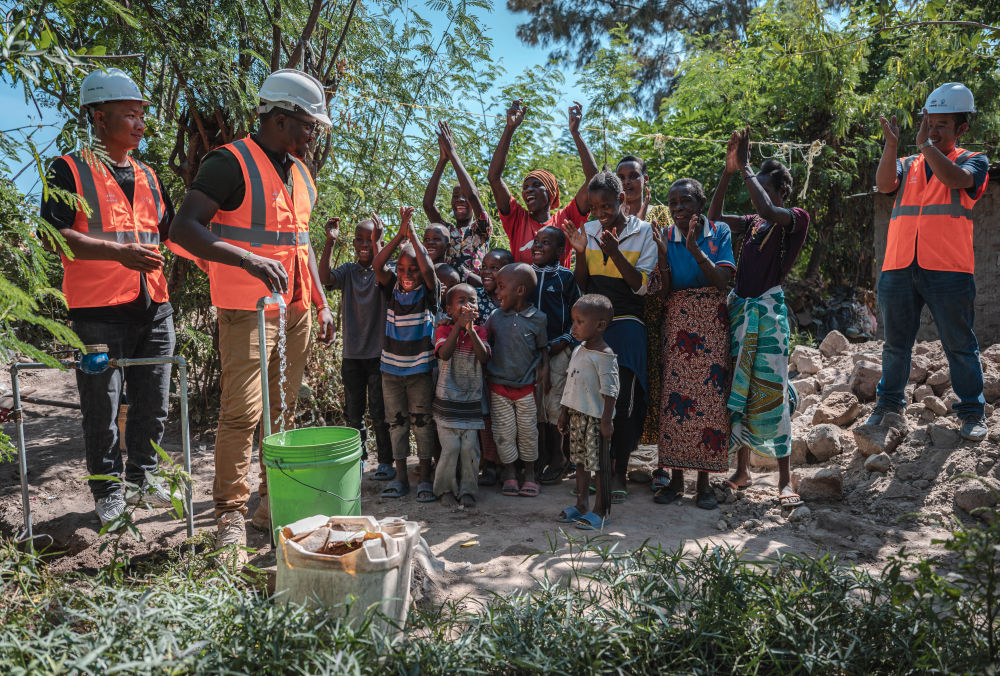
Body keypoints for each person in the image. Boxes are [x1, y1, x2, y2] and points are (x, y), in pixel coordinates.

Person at [169, 69, 336, 558]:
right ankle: (229, 517)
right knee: (242, 414)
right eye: (308, 125)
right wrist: (247, 260)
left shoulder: (301, 172)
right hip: (247, 310)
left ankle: (272, 504)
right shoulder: (229, 163)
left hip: (296, 309)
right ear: (280, 119)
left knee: (282, 411)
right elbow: (183, 228)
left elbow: (301, 242)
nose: (313, 134)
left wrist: (322, 303)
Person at [40, 68, 179, 525]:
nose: (140, 124)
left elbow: (171, 234)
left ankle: (142, 478)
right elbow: (52, 236)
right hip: (97, 312)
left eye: (142, 115)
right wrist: (119, 254)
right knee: (102, 407)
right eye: (130, 115)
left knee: (154, 402)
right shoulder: (68, 169)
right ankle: (108, 489)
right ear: (99, 118)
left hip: (153, 308)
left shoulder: (148, 175)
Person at [868, 83, 990, 441]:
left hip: (949, 269)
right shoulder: (908, 163)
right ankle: (888, 406)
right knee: (895, 345)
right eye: (930, 123)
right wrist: (892, 146)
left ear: (961, 128)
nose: (933, 131)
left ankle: (972, 412)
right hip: (899, 266)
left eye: (942, 125)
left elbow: (954, 179)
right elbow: (884, 184)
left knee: (959, 345)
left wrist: (925, 146)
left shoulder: (973, 160)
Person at [707, 127, 810, 508]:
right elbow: (714, 218)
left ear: (780, 190)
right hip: (741, 312)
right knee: (741, 387)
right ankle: (742, 471)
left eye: (764, 187)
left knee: (772, 389)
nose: (757, 194)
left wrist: (747, 165)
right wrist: (728, 171)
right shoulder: (753, 222)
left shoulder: (795, 218)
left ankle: (784, 479)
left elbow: (767, 209)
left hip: (768, 315)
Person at [564, 171, 657, 504]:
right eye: (594, 207)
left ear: (621, 200)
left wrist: (615, 252)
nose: (600, 213)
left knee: (622, 399)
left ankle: (619, 471)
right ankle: (597, 468)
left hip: (627, 321)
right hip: (594, 325)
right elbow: (582, 285)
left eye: (606, 205)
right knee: (590, 398)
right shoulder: (588, 231)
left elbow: (641, 286)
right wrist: (580, 252)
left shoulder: (643, 232)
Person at [648, 179, 736, 510]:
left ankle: (704, 484)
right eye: (672, 202)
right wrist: (662, 255)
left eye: (685, 201)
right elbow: (664, 290)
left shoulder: (718, 232)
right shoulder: (665, 236)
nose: (678, 208)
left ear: (700, 203)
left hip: (712, 324)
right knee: (676, 402)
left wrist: (694, 248)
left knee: (710, 403)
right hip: (678, 323)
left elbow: (722, 280)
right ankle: (675, 480)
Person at [371, 206, 441, 501]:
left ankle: (424, 478)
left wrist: (412, 234)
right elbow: (378, 264)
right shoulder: (391, 289)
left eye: (412, 269)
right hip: (390, 370)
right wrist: (400, 235)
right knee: (396, 423)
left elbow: (429, 270)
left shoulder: (429, 292)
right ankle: (401, 477)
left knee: (422, 423)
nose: (406, 274)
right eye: (401, 269)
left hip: (419, 370)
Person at [318, 215, 393, 481]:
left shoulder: (385, 271)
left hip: (379, 355)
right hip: (352, 354)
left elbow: (383, 273)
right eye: (359, 240)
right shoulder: (349, 271)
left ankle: (385, 461)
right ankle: (359, 458)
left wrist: (379, 243)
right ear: (352, 243)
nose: (364, 245)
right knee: (353, 412)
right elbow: (325, 277)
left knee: (380, 412)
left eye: (370, 240)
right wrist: (330, 241)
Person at [488, 100, 597, 266]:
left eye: (536, 185)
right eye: (525, 187)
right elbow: (494, 178)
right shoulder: (517, 219)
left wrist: (575, 133)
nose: (528, 190)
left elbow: (593, 178)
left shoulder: (565, 220)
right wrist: (509, 128)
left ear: (550, 192)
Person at [485, 263, 548, 497]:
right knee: (503, 433)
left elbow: (543, 349)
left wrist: (545, 371)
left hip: (526, 387)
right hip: (498, 386)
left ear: (520, 291)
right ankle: (510, 473)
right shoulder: (495, 317)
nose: (497, 292)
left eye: (502, 287)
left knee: (528, 433)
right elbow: (484, 340)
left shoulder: (538, 318)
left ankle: (530, 475)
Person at [557, 294, 619, 531]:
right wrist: (564, 412)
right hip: (577, 416)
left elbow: (611, 391)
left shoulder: (605, 356)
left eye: (580, 321)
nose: (574, 326)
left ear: (600, 325)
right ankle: (581, 504)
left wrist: (606, 421)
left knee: (600, 466)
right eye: (573, 321)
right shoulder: (578, 350)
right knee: (580, 463)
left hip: (596, 419)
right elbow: (570, 383)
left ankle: (601, 511)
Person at [433, 283, 491, 509]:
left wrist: (471, 330)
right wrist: (458, 327)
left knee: (469, 449)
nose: (468, 305)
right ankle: (445, 489)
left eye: (472, 301)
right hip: (447, 401)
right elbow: (444, 354)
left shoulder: (481, 332)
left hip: (471, 402)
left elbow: (484, 358)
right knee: (450, 449)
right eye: (461, 301)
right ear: (449, 310)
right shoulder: (443, 331)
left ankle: (468, 490)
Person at [531, 226, 581, 484]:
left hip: (558, 350)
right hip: (531, 354)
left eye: (546, 242)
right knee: (536, 406)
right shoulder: (525, 274)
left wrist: (565, 341)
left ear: (561, 250)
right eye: (536, 241)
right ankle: (541, 458)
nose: (538, 246)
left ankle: (559, 459)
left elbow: (578, 314)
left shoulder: (565, 277)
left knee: (555, 405)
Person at [423, 120, 492, 274]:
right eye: (455, 196)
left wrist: (452, 153)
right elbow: (428, 205)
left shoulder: (481, 228)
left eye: (464, 196)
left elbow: (472, 195)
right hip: (448, 287)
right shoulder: (445, 231)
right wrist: (442, 160)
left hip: (475, 287)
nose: (460, 199)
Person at [474, 248, 512, 486]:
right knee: (485, 418)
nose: (486, 272)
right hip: (481, 369)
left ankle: (507, 464)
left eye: (494, 268)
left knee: (506, 419)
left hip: (509, 369)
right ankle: (488, 464)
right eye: (484, 267)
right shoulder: (475, 296)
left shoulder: (514, 299)